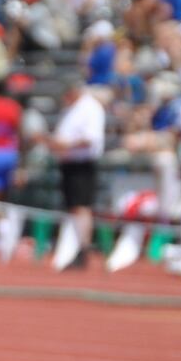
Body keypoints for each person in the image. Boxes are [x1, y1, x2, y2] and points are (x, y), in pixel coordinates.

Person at [48, 82, 106, 268]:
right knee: (74, 206)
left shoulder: (90, 108)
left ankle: (83, 248)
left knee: (81, 206)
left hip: (82, 164)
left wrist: (66, 145)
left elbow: (91, 138)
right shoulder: (73, 108)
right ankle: (73, 247)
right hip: (69, 163)